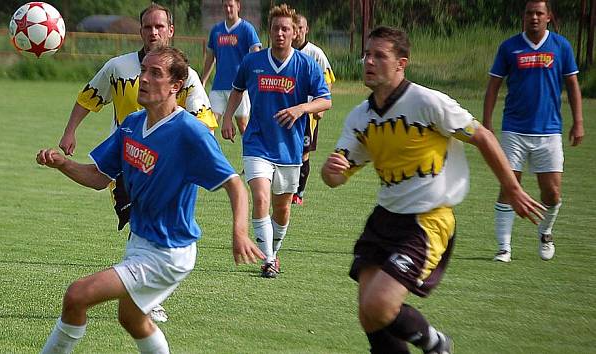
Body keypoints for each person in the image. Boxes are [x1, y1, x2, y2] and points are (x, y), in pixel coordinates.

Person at [321, 26, 544, 354]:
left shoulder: (427, 102)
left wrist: (511, 187)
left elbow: (481, 136)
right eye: (367, 54)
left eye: (379, 55)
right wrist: (331, 172)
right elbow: (339, 175)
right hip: (384, 219)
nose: (368, 61)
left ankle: (438, 345)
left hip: (428, 220)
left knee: (381, 305)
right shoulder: (360, 117)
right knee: (369, 315)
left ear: (401, 64)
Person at [37, 47, 264, 354]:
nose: (143, 78)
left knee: (77, 295)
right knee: (131, 318)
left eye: (155, 73)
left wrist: (239, 232)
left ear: (176, 85)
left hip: (168, 251)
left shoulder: (190, 133)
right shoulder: (131, 124)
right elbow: (99, 177)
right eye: (143, 70)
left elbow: (235, 184)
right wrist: (64, 164)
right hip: (140, 242)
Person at [58, 3, 216, 322]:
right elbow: (89, 96)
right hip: (126, 164)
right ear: (140, 30)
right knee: (139, 222)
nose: (153, 32)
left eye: (160, 27)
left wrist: (177, 145)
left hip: (165, 168)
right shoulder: (118, 67)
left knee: (147, 222)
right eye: (147, 27)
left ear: (171, 31)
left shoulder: (183, 75)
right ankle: (142, 294)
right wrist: (70, 131)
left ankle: (145, 296)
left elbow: (203, 121)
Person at [221, 4, 331, 278]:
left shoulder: (306, 65)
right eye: (275, 28)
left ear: (295, 33)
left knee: (282, 209)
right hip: (257, 143)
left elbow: (325, 101)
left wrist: (300, 109)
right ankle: (269, 259)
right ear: (268, 31)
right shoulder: (252, 62)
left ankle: (274, 250)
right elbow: (237, 90)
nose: (280, 33)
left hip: (289, 148)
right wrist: (226, 119)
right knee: (260, 198)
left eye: (286, 29)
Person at [483, 0, 584, 263]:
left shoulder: (561, 46)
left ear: (549, 16)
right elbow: (494, 84)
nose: (534, 17)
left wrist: (578, 121)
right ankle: (504, 247)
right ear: (524, 17)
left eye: (539, 13)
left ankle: (546, 231)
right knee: (508, 185)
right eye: (530, 13)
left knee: (551, 194)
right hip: (514, 130)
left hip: (549, 131)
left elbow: (572, 85)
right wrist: (487, 122)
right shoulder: (509, 47)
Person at [291, 13, 336, 206]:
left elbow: (327, 81)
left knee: (303, 154)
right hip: (288, 110)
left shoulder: (315, 53)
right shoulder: (284, 52)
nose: (298, 31)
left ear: (306, 30)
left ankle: (299, 193)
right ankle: (285, 190)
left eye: (301, 28)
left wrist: (321, 108)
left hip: (308, 114)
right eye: (295, 28)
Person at [201, 0, 261, 135]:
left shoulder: (246, 29)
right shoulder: (216, 30)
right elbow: (211, 57)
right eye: (225, 6)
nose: (228, 9)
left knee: (243, 126)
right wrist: (203, 79)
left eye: (231, 6)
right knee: (208, 125)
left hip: (240, 88)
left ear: (238, 7)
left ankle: (250, 155)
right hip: (218, 86)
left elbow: (256, 55)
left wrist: (253, 80)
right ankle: (209, 156)